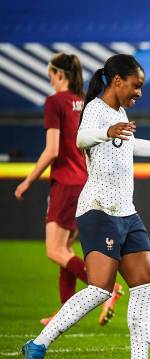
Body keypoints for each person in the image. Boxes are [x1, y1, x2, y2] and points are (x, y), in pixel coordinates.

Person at [21, 54, 150, 359]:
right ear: (117, 81)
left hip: (126, 213)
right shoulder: (95, 110)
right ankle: (37, 345)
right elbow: (80, 139)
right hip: (99, 209)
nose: (139, 93)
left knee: (145, 285)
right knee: (100, 290)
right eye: (136, 86)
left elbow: (134, 145)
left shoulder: (120, 113)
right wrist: (106, 130)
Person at [14, 53, 123, 326]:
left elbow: (52, 150)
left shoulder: (55, 102)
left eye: (50, 73)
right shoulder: (86, 103)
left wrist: (28, 180)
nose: (49, 78)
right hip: (86, 182)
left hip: (65, 183)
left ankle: (108, 288)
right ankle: (64, 314)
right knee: (66, 251)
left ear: (59, 74)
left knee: (54, 250)